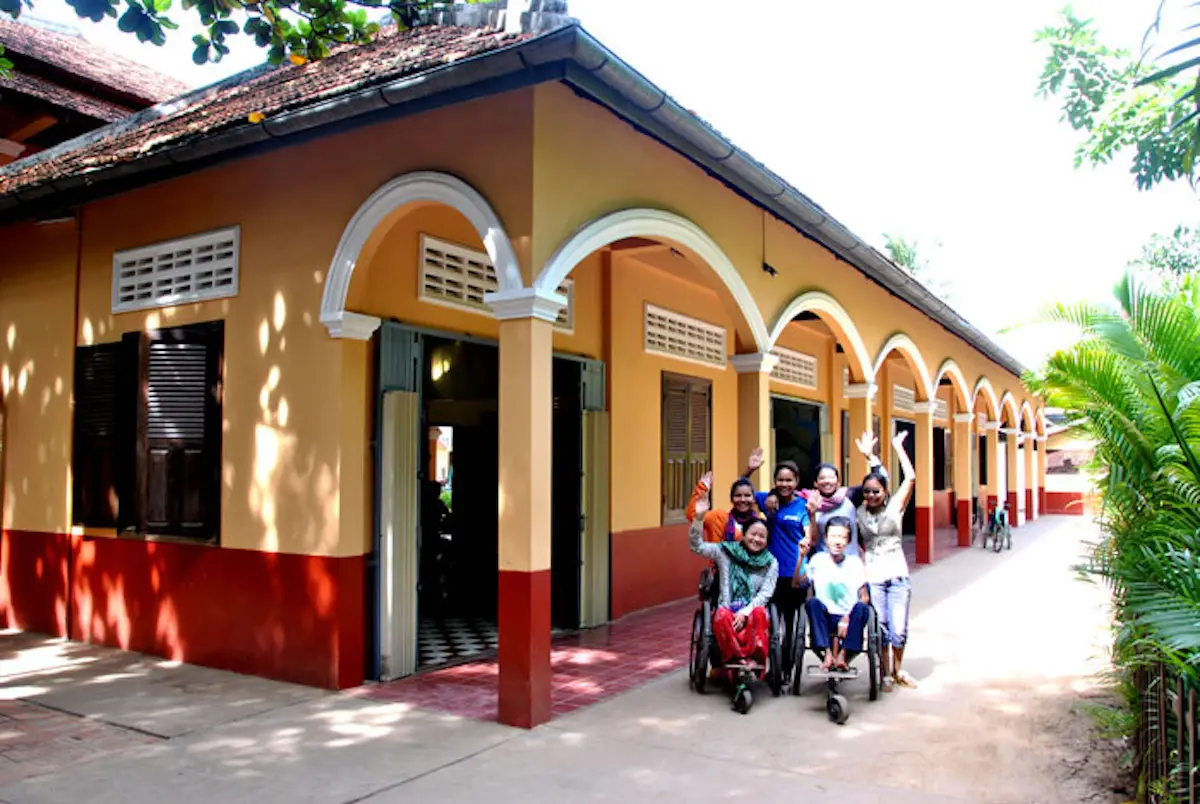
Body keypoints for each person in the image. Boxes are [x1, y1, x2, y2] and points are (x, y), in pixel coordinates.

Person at [689, 494, 779, 671]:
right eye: (753, 534)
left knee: (760, 613)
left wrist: (746, 612)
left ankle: (755, 660)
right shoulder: (725, 552)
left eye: (762, 536)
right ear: (743, 535)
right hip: (728, 608)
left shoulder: (771, 562)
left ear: (767, 541)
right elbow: (696, 546)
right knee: (721, 614)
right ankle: (738, 659)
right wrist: (699, 518)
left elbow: (765, 593)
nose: (756, 539)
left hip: (752, 609)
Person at [857, 430, 918, 691]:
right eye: (867, 492)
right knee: (880, 628)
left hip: (897, 575)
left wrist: (896, 448)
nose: (871, 495)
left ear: (885, 491)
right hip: (874, 578)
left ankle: (898, 669)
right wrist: (870, 457)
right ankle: (884, 673)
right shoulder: (858, 511)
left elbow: (911, 478)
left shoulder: (895, 507)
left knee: (899, 628)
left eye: (876, 491)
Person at [803, 516, 870, 671]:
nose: (837, 541)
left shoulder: (855, 563)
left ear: (848, 541)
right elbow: (806, 589)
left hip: (848, 617)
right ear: (826, 538)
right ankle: (827, 653)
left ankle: (843, 655)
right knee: (812, 603)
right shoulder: (817, 560)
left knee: (862, 608)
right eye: (833, 536)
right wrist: (801, 557)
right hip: (824, 617)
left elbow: (864, 596)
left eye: (842, 537)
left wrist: (847, 617)